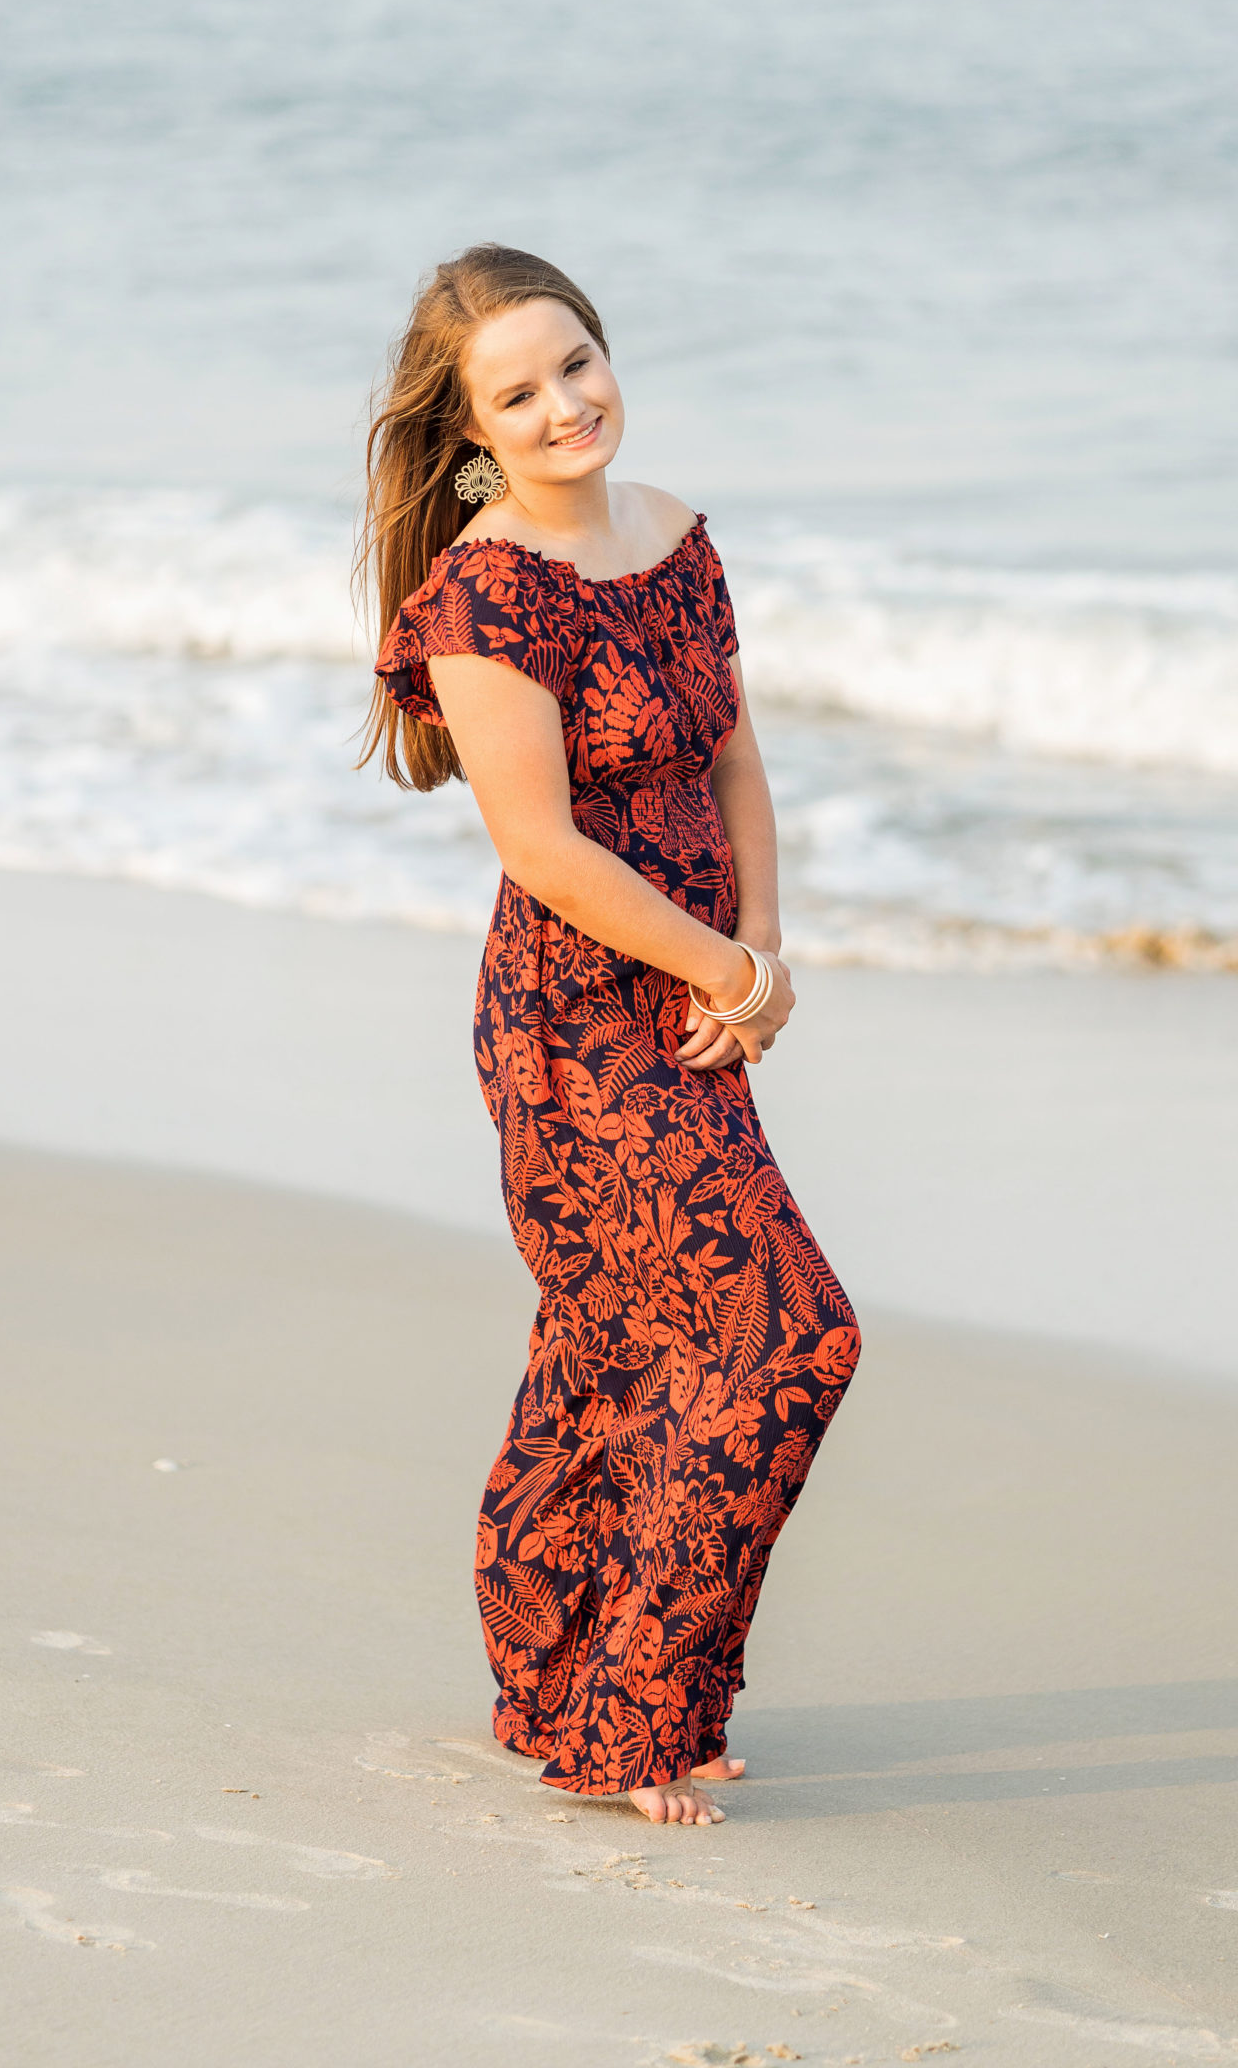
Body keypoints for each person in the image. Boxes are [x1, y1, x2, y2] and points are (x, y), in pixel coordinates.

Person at [361, 244, 860, 1827]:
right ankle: (627, 1714)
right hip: (576, 1031)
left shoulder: (682, 540)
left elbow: (734, 765)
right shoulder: (481, 597)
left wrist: (758, 959)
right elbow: (544, 849)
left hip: (700, 999)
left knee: (618, 1346)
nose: (567, 403)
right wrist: (721, 963)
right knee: (786, 1335)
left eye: (577, 361)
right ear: (470, 436)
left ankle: (571, 1684)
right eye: (520, 391)